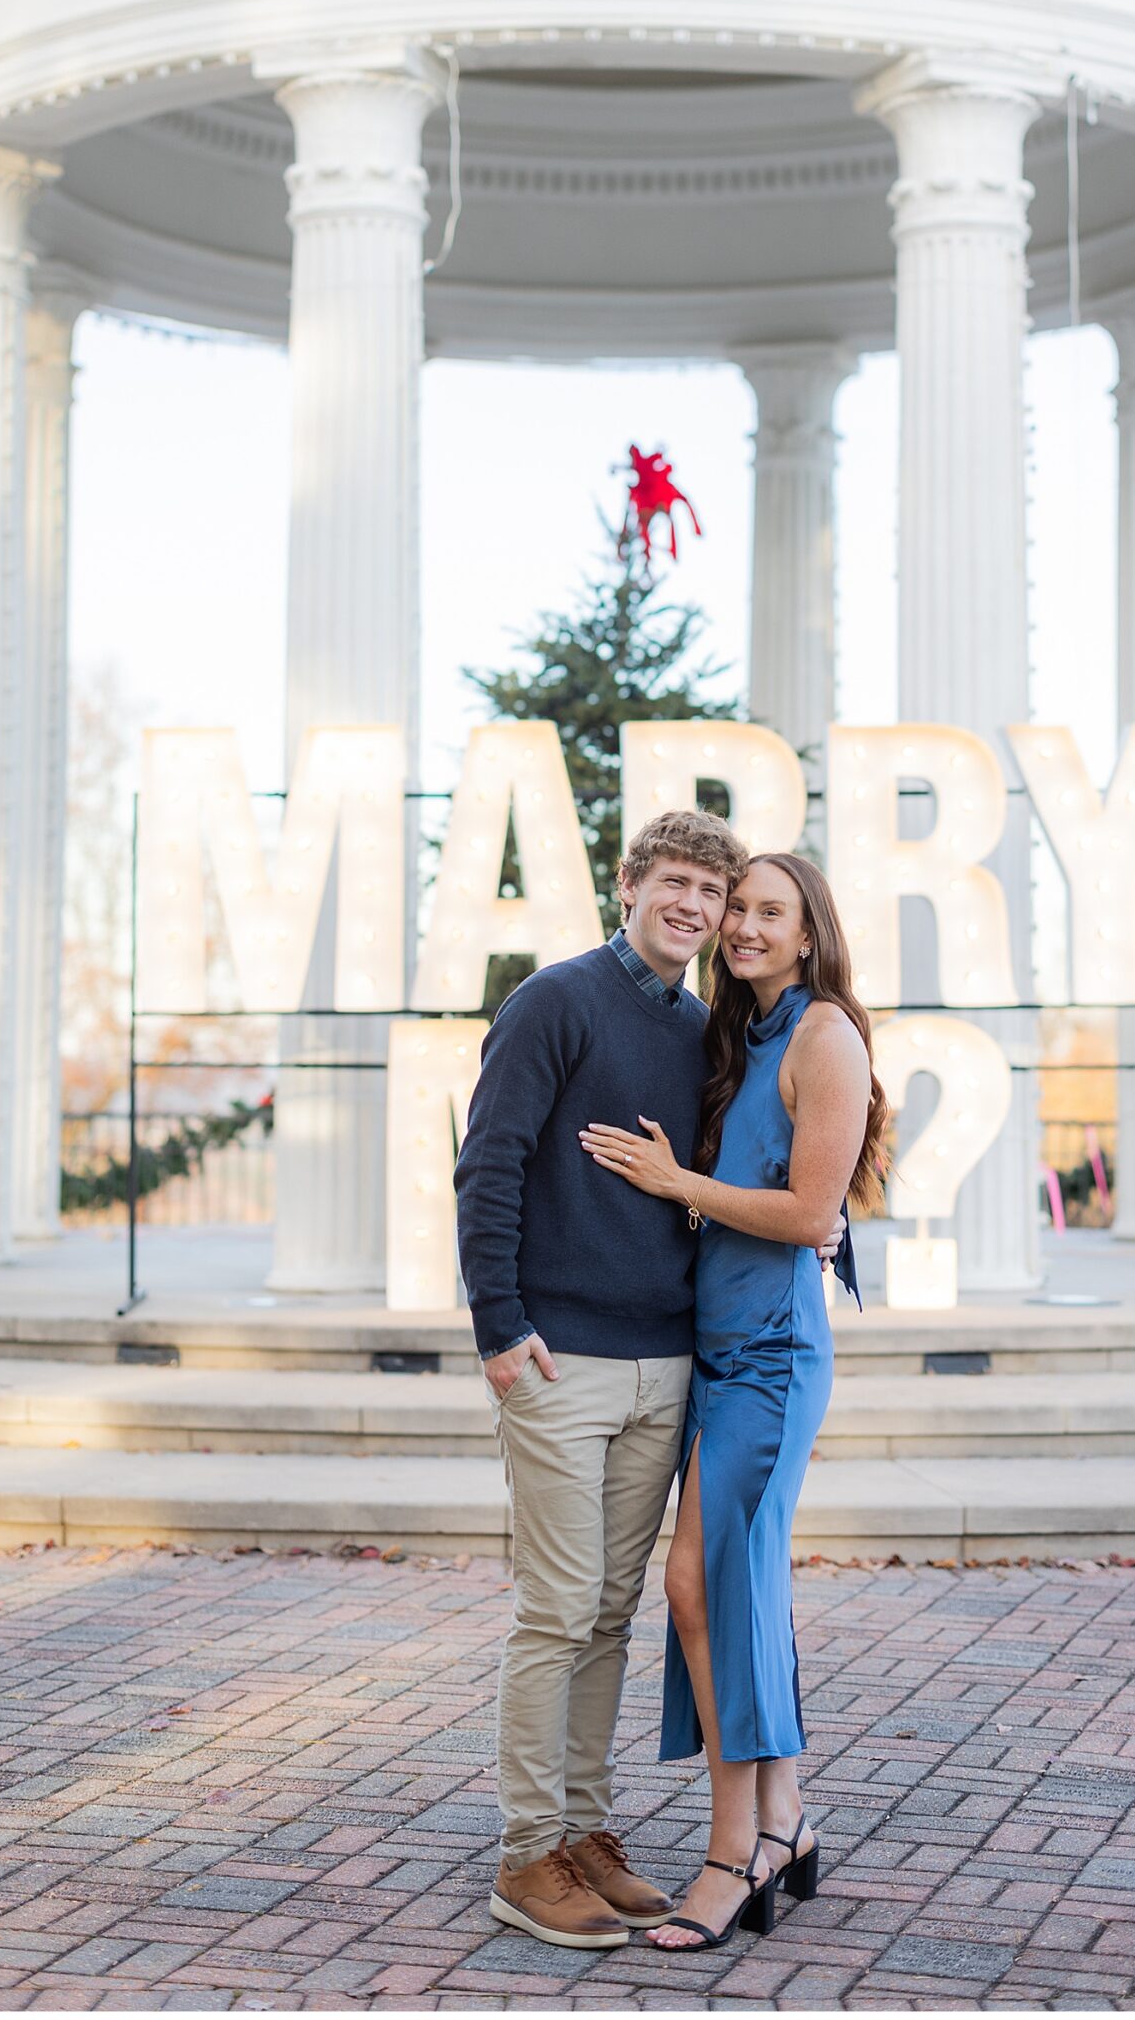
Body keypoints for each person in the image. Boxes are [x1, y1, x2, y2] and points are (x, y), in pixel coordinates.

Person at [452, 808, 748, 1952]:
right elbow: (488, 1162)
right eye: (673, 881)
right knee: (557, 1606)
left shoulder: (699, 1028)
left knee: (612, 1613)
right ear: (628, 884)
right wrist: (497, 1325)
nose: (691, 906)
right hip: (557, 1357)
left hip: (660, 1363)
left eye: (710, 893)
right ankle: (527, 1852)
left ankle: (581, 1833)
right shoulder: (554, 1000)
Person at [580, 852, 885, 1952]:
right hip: (711, 1350)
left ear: (809, 932)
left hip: (770, 1356)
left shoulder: (825, 1036)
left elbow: (808, 1214)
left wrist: (679, 1184)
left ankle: (733, 1852)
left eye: (769, 912)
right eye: (736, 909)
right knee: (737, 1588)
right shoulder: (737, 1033)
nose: (744, 926)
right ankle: (785, 1821)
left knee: (697, 1583)